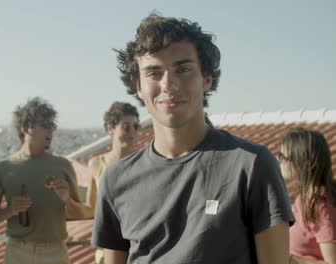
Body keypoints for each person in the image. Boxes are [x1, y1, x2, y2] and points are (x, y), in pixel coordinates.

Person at [91, 13, 295, 264]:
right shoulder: (115, 178)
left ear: (206, 79)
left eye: (184, 69)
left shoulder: (251, 165)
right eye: (154, 73)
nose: (169, 83)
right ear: (138, 87)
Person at [0, 97, 85, 264]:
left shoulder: (63, 166)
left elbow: (80, 214)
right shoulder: (3, 168)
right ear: (25, 128)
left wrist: (66, 199)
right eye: (45, 125)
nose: (51, 131)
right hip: (18, 252)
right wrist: (10, 210)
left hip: (56, 253)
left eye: (52, 125)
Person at [78, 102, 140, 264]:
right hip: (108, 249)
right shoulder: (97, 164)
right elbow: (90, 210)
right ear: (110, 128)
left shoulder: (144, 163)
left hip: (138, 248)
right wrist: (64, 197)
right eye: (126, 127)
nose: (132, 133)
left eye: (136, 126)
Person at [279, 128, 336, 264]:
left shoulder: (320, 205)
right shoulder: (304, 198)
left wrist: (288, 259)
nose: (278, 160)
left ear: (301, 161)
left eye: (283, 157)